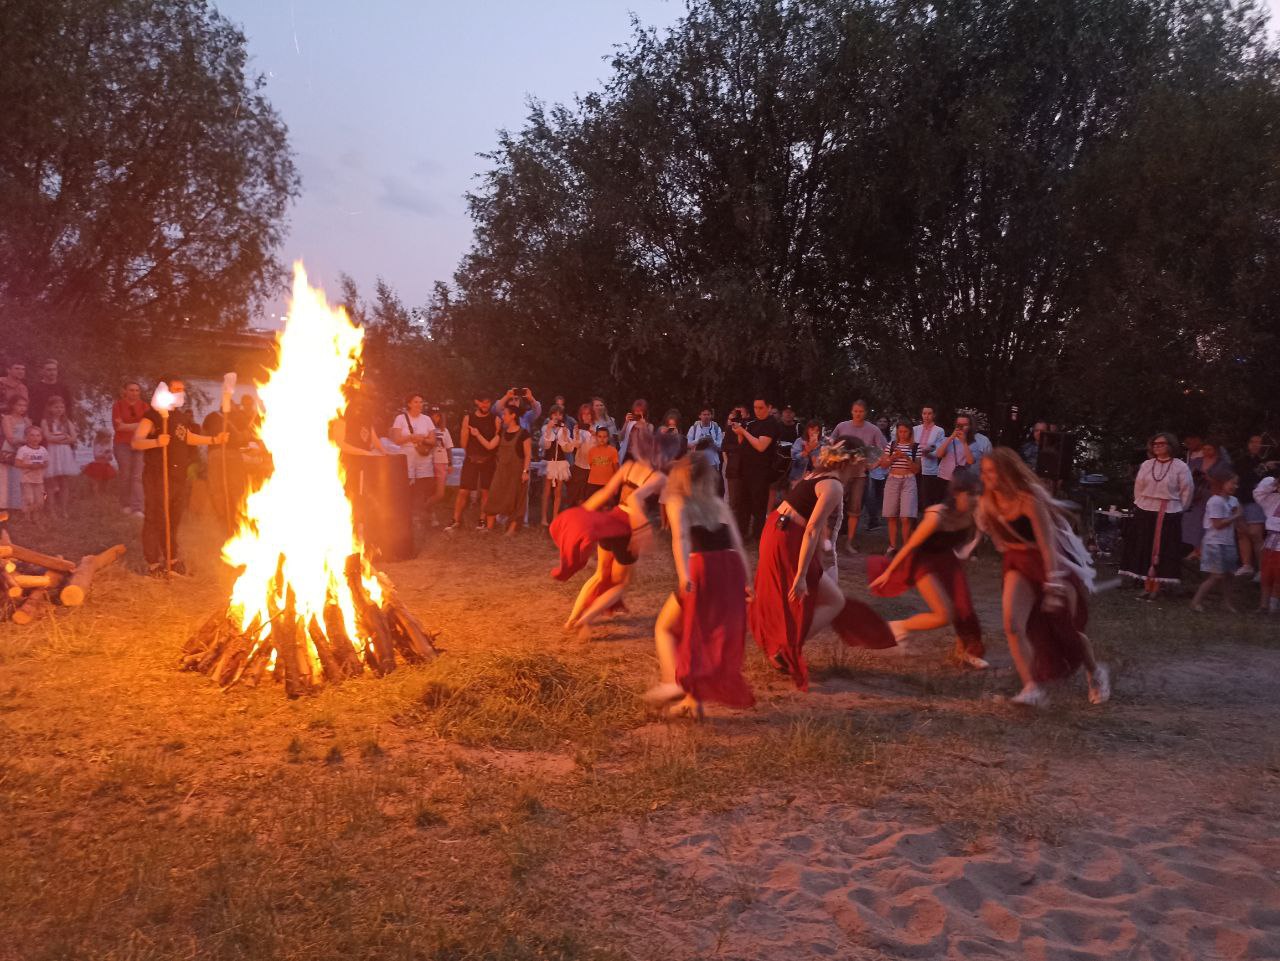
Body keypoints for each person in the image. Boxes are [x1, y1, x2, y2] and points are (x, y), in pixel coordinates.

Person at [751, 440, 896, 690]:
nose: (864, 467)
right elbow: (811, 529)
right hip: (787, 537)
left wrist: (816, 560)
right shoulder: (833, 486)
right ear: (851, 461)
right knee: (830, 600)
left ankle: (784, 648)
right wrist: (802, 574)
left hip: (779, 530)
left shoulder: (820, 474)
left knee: (823, 599)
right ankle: (786, 650)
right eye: (862, 462)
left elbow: (810, 526)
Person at [978, 448, 1110, 707]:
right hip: (1016, 564)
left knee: (1065, 629)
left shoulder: (1029, 499)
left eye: (992, 471)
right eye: (984, 471)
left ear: (1007, 473)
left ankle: (1095, 672)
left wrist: (1052, 583)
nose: (986, 477)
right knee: (1013, 624)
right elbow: (998, 541)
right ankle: (1032, 688)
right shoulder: (986, 501)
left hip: (1046, 564)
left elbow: (1048, 544)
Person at [645, 453, 755, 718]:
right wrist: (747, 579)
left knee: (666, 627)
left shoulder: (678, 502)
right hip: (729, 567)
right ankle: (693, 702)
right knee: (703, 632)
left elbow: (681, 539)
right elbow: (737, 542)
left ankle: (673, 683)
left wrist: (685, 576)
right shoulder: (718, 502)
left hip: (702, 567)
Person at [552, 430, 678, 637]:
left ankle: (571, 619)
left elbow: (605, 492)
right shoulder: (658, 477)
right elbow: (636, 501)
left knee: (600, 574)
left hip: (611, 522)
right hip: (626, 529)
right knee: (622, 583)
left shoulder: (628, 467)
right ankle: (585, 619)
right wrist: (641, 531)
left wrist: (583, 513)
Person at [868, 472, 988, 668]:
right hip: (923, 561)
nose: (977, 499)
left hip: (947, 559)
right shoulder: (936, 515)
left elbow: (976, 535)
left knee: (964, 606)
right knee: (944, 615)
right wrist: (889, 573)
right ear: (958, 493)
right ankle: (898, 627)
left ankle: (967, 652)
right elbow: (910, 546)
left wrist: (966, 552)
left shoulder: (973, 513)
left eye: (979, 494)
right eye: (972, 494)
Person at [132, 377, 229, 576]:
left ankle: (171, 558)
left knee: (173, 518)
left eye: (182, 389)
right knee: (155, 517)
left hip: (178, 474)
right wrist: (157, 442)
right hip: (158, 475)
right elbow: (136, 442)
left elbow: (189, 438)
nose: (180, 393)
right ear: (164, 391)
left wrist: (213, 439)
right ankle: (153, 563)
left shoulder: (180, 417)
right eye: (176, 389)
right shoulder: (152, 417)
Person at [1119, 432, 1195, 598]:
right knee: (1145, 546)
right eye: (1155, 444)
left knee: (1164, 550)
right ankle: (1147, 585)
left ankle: (1158, 586)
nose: (1158, 447)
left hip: (1169, 512)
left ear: (1171, 446)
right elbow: (1138, 487)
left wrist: (1179, 508)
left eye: (1162, 444)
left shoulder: (1180, 466)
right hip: (1146, 510)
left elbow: (1187, 490)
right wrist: (1140, 504)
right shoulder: (1147, 465)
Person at [830, 400, 887, 552]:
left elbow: (883, 449)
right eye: (855, 411)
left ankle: (849, 541)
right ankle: (830, 539)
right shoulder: (842, 426)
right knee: (834, 505)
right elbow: (830, 442)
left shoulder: (873, 430)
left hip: (860, 474)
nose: (858, 414)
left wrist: (872, 465)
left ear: (866, 412)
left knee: (854, 508)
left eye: (861, 411)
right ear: (851, 411)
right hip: (841, 472)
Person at [729, 397, 781, 541]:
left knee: (758, 505)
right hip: (746, 468)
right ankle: (741, 533)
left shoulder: (771, 424)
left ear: (769, 407)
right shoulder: (752, 422)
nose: (757, 411)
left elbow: (760, 446)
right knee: (743, 503)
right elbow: (743, 443)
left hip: (761, 471)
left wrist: (744, 432)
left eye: (761, 408)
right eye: (755, 407)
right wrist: (739, 432)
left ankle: (758, 535)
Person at [447, 392, 500, 531]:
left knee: (485, 492)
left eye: (488, 402)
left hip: (488, 460)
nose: (485, 405)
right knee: (463, 491)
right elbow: (463, 441)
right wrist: (471, 453)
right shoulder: (468, 418)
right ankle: (456, 520)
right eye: (482, 402)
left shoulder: (495, 419)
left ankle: (482, 520)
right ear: (477, 402)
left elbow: (497, 440)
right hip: (471, 459)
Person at [1190, 472, 1241, 613]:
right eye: (1231, 483)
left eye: (1236, 483)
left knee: (1230, 574)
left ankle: (1226, 603)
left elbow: (1237, 521)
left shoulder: (1234, 501)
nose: (1234, 486)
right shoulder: (1215, 501)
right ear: (1222, 483)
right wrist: (1235, 516)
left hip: (1228, 542)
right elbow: (1217, 524)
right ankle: (1196, 602)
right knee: (1216, 575)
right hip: (1214, 542)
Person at [390, 394, 438, 532]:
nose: (419, 405)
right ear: (409, 404)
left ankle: (423, 515)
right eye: (416, 402)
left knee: (424, 488)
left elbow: (433, 441)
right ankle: (407, 516)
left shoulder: (427, 419)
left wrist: (422, 439)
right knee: (408, 487)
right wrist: (411, 437)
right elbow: (397, 440)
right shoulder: (400, 419)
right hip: (407, 456)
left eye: (421, 402)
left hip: (423, 457)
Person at [1232, 434, 1277, 578]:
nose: (1255, 445)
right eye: (1253, 441)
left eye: (1259, 442)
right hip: (1240, 499)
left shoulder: (1268, 462)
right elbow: (1236, 479)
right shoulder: (1240, 462)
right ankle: (1247, 565)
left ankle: (1262, 570)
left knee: (1256, 534)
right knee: (1241, 533)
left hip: (1256, 502)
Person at [484, 403, 532, 533]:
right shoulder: (502, 432)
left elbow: (528, 455)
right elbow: (489, 446)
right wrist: (477, 434)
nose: (502, 416)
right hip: (501, 472)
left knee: (516, 501)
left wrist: (525, 472)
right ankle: (489, 528)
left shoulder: (524, 433)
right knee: (493, 496)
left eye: (505, 414)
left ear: (513, 416)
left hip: (517, 472)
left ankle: (511, 530)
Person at [878, 421, 921, 555]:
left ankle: (906, 548)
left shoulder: (915, 447)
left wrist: (907, 458)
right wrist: (892, 457)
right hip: (893, 480)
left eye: (905, 432)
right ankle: (892, 546)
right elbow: (883, 465)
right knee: (891, 515)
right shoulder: (891, 445)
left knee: (906, 516)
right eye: (900, 431)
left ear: (910, 432)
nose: (902, 434)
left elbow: (916, 470)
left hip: (908, 480)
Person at [1182, 439, 1226, 557]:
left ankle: (1206, 551)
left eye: (1209, 449)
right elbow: (1186, 475)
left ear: (1215, 450)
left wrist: (1209, 477)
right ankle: (1195, 549)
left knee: (1210, 523)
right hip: (1197, 496)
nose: (1206, 451)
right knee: (1195, 522)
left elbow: (1225, 481)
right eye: (1204, 449)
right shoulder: (1197, 461)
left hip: (1214, 495)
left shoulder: (1221, 463)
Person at [111, 381, 148, 516]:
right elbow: (119, 427)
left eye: (137, 390)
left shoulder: (144, 406)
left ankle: (137, 508)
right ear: (125, 391)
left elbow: (149, 427)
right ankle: (125, 504)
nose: (134, 393)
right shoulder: (118, 406)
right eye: (131, 390)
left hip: (139, 443)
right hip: (122, 444)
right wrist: (140, 424)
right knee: (125, 474)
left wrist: (128, 425)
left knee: (137, 476)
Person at [40, 396, 77, 519]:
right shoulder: (45, 421)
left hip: (64, 453)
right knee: (50, 484)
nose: (59, 409)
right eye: (56, 407)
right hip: (52, 453)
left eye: (62, 407)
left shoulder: (67, 422)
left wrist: (62, 439)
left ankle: (64, 510)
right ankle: (51, 510)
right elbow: (47, 437)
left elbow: (73, 438)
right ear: (50, 408)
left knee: (64, 483)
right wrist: (63, 438)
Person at [540, 404, 576, 527]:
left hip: (561, 462)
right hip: (549, 462)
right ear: (551, 415)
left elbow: (567, 449)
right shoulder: (546, 427)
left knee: (558, 491)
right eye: (555, 414)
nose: (557, 416)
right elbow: (546, 446)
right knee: (546, 491)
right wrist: (549, 429)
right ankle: (544, 518)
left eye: (560, 414)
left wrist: (566, 435)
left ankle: (555, 517)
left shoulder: (564, 429)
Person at [936, 411, 991, 483]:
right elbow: (939, 455)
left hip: (962, 480)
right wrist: (951, 437)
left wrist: (964, 442)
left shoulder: (974, 442)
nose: (961, 427)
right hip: (944, 477)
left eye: (965, 425)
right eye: (958, 424)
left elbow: (970, 461)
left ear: (970, 426)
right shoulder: (948, 440)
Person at [1, 395, 33, 516]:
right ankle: (6, 508)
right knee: (7, 479)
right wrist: (26, 442)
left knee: (22, 480)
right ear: (12, 405)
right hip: (9, 452)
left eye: (24, 406)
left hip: (23, 452)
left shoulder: (27, 420)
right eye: (19, 405)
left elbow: (32, 435)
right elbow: (10, 438)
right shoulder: (7, 418)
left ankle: (20, 507)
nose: (22, 408)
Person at [1254, 476, 1280, 614]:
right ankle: (1263, 605)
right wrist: (1274, 482)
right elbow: (1258, 493)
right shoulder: (1272, 499)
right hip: (1270, 543)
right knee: (1266, 575)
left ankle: (1274, 606)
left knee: (1278, 577)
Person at [426, 406, 455, 526]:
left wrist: (450, 463)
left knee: (440, 493)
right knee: (428, 490)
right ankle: (431, 515)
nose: (435, 417)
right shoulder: (426, 429)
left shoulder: (444, 430)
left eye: (437, 415)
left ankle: (422, 508)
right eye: (433, 414)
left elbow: (449, 448)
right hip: (427, 462)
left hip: (441, 462)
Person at [914, 406, 947, 508]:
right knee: (914, 496)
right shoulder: (915, 429)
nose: (926, 416)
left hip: (929, 468)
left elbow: (939, 450)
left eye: (929, 413)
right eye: (924, 413)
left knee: (927, 498)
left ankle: (928, 520)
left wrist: (927, 453)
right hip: (915, 464)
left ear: (934, 415)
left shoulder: (939, 431)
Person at [27, 359, 74, 427]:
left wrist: (69, 425)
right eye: (49, 370)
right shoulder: (35, 388)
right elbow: (31, 409)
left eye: (54, 370)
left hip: (60, 425)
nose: (52, 372)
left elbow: (69, 407)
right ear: (42, 371)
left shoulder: (63, 388)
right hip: (39, 426)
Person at [14, 425, 48, 519]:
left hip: (39, 479)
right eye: (32, 435)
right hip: (26, 479)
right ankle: (27, 518)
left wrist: (41, 465)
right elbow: (17, 463)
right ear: (26, 437)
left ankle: (33, 515)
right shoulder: (23, 449)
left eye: (38, 435)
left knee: (40, 501)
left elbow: (46, 462)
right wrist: (30, 466)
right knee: (29, 499)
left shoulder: (43, 450)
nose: (35, 438)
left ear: (41, 437)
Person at [864, 415, 891, 531]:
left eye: (885, 421)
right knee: (871, 495)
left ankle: (879, 517)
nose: (882, 423)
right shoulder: (870, 435)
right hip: (871, 469)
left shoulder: (891, 437)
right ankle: (872, 519)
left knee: (881, 496)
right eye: (880, 420)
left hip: (885, 469)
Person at [567, 402, 596, 507]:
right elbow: (577, 445)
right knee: (577, 496)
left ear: (592, 414)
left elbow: (600, 446)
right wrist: (577, 434)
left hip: (593, 467)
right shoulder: (578, 428)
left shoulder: (597, 428)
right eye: (584, 414)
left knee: (589, 496)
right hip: (580, 465)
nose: (586, 416)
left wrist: (594, 434)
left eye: (588, 414)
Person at [686, 406, 724, 475]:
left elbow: (721, 446)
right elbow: (688, 444)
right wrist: (698, 440)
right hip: (698, 463)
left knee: (713, 485)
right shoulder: (693, 428)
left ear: (711, 416)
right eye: (704, 414)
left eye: (708, 414)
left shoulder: (716, 428)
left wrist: (712, 441)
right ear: (700, 416)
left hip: (713, 463)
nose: (706, 417)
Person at [585, 427, 619, 497]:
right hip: (593, 483)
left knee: (607, 506)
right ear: (596, 437)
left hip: (608, 484)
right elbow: (591, 466)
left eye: (604, 437)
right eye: (600, 436)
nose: (602, 439)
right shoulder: (592, 451)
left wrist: (616, 485)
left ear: (608, 438)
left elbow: (616, 469)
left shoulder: (613, 451)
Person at [83, 429, 118, 494]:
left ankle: (104, 493)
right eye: (107, 437)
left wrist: (110, 455)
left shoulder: (109, 444)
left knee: (106, 480)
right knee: (96, 481)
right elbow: (96, 455)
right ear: (101, 438)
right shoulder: (97, 445)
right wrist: (104, 454)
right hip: (97, 465)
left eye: (110, 437)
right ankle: (95, 494)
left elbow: (110, 457)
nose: (109, 439)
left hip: (106, 465)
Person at [790, 420, 823, 486]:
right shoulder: (800, 441)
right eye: (812, 429)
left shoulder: (823, 442)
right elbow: (794, 456)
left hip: (816, 475)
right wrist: (808, 450)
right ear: (808, 430)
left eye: (817, 430)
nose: (814, 432)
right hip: (799, 474)